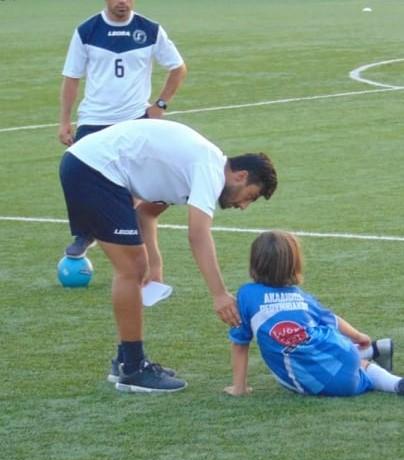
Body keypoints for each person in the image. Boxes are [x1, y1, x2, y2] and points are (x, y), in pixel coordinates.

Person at [59, 118, 278, 393]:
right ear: (241, 176)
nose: (243, 206)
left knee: (136, 268)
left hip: (89, 167)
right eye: (250, 196)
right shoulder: (210, 168)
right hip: (93, 170)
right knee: (130, 270)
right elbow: (198, 235)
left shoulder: (197, 167)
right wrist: (220, 294)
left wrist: (155, 262)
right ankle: (134, 369)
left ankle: (126, 360)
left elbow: (146, 213)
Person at [58, 0, 187, 258]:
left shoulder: (149, 30)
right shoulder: (87, 30)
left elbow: (178, 68)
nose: (123, 2)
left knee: (133, 183)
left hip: (134, 120)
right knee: (80, 177)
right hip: (94, 119)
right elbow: (71, 78)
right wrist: (64, 121)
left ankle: (128, 234)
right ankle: (84, 233)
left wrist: (160, 105)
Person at [225, 230, 404, 397]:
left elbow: (240, 343)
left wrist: (239, 388)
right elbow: (332, 320)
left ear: (255, 262)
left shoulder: (246, 295)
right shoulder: (301, 297)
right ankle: (387, 370)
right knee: (336, 357)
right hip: (341, 347)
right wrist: (358, 336)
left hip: (314, 380)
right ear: (294, 264)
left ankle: (381, 365)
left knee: (357, 369)